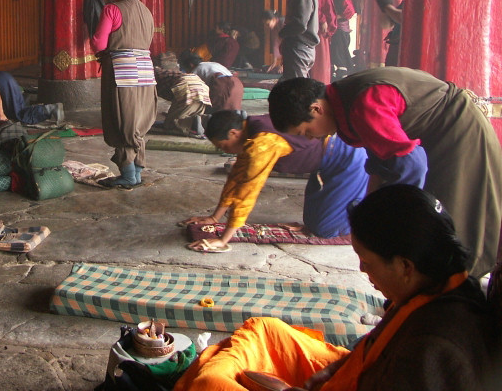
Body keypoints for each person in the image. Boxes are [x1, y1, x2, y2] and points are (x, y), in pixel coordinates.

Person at [174, 185, 500, 391]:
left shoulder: (434, 348)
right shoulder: (435, 283)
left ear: (404, 266)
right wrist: (335, 368)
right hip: (356, 373)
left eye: (367, 261)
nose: (362, 270)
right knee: (265, 330)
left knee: (210, 383)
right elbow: (374, 347)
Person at [267, 68, 502, 276]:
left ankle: (453, 301)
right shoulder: (345, 98)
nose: (311, 138)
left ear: (316, 109)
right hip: (441, 138)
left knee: (450, 228)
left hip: (461, 135)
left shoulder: (362, 105)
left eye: (306, 131)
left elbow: (412, 166)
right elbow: (379, 161)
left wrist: (393, 225)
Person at [181, 109, 367, 250]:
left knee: (325, 229)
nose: (225, 151)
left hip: (348, 157)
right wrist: (214, 218)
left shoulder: (262, 144)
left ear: (233, 133)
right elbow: (236, 178)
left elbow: (247, 191)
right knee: (312, 222)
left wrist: (223, 240)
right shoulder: (249, 130)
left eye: (223, 146)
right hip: (325, 164)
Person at [90, 0, 157, 189]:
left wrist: (102, 51)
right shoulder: (147, 11)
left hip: (122, 71)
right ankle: (136, 173)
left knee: (121, 122)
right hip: (146, 70)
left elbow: (99, 43)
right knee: (137, 123)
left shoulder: (112, 9)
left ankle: (128, 176)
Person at [277, 0, 318, 80]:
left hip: (299, 48)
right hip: (300, 48)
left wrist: (282, 33)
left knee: (297, 90)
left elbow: (300, 24)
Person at [153, 53, 211, 137]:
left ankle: (192, 122)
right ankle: (204, 119)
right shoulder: (168, 73)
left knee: (170, 124)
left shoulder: (154, 77)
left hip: (186, 86)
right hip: (201, 87)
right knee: (192, 112)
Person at [178, 50, 244, 113]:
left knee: (213, 112)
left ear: (190, 65)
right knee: (233, 110)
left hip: (223, 85)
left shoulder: (196, 70)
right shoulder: (211, 64)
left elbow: (191, 89)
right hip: (237, 84)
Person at [0, 71, 64, 125]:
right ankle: (48, 109)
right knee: (15, 112)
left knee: (18, 115)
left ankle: (49, 109)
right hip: (2, 76)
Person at [311, 0, 339, 84]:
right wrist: (322, 20)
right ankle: (319, 86)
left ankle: (323, 85)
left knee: (325, 61)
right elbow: (316, 9)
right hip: (320, 31)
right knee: (321, 62)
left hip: (325, 32)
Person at [330, 0, 356, 79]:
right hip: (338, 30)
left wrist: (336, 17)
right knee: (337, 51)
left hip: (341, 30)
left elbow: (350, 12)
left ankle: (344, 70)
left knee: (339, 52)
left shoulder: (346, 1)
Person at [375, 0, 403, 66]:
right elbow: (386, 24)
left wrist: (387, 6)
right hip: (395, 47)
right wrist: (384, 9)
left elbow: (405, 18)